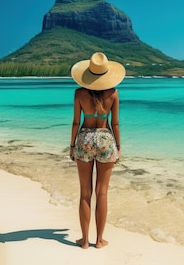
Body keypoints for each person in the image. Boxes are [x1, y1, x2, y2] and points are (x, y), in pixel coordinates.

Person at [69, 52, 125, 249]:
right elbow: (115, 124)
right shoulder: (114, 93)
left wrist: (72, 145)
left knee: (85, 192)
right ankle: (99, 240)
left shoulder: (79, 94)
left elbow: (76, 122)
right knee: (102, 192)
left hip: (84, 139)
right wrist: (117, 147)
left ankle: (84, 241)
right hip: (105, 139)